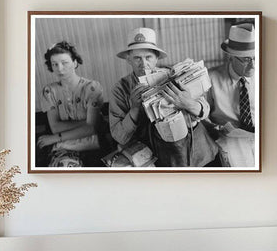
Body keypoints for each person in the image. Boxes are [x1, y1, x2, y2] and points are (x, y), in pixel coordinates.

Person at [109, 27, 218, 167]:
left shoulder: (174, 75)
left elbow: (205, 110)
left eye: (148, 57)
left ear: (156, 58)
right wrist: (135, 109)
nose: (143, 64)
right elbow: (119, 137)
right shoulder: (120, 89)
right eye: (137, 58)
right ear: (128, 60)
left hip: (196, 150)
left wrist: (188, 103)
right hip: (155, 157)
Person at [37, 41, 104, 167]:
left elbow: (92, 128)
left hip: (91, 144)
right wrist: (87, 123)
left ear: (75, 63)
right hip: (64, 147)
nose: (59, 68)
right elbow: (55, 127)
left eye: (64, 63)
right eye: (55, 64)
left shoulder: (92, 87)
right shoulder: (49, 91)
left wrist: (54, 138)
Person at [207, 23, 256, 167]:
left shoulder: (262, 76)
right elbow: (202, 115)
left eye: (255, 58)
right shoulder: (211, 78)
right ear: (231, 57)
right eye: (246, 59)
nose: (253, 65)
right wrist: (216, 127)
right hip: (229, 138)